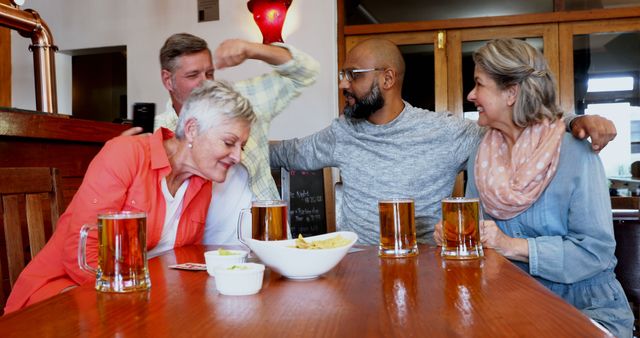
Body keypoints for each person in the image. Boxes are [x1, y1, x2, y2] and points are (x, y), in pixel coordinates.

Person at [269, 38, 617, 245]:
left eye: (353, 76)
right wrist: (231, 142)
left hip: (430, 271)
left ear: (387, 78)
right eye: (343, 75)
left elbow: (521, 127)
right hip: (358, 268)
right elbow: (287, 153)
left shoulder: (449, 132)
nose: (344, 84)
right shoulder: (341, 133)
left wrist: (574, 121)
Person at [433, 38, 633, 337]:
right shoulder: (480, 154)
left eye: (479, 84)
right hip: (509, 304)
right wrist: (456, 237)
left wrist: (509, 244)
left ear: (512, 92)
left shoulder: (574, 151)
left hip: (585, 309)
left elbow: (596, 253)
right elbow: (479, 239)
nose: (471, 94)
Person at [4, 80, 256, 314]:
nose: (237, 157)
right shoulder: (126, 154)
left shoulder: (202, 181)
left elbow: (179, 257)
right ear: (191, 130)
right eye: (228, 142)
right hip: (61, 294)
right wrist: (145, 298)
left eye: (241, 147)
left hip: (135, 300)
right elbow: (81, 256)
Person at [154, 33, 319, 244]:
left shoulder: (244, 102)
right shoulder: (159, 133)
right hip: (200, 258)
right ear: (168, 80)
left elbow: (307, 72)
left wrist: (252, 49)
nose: (205, 83)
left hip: (268, 244)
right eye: (193, 75)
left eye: (210, 73)